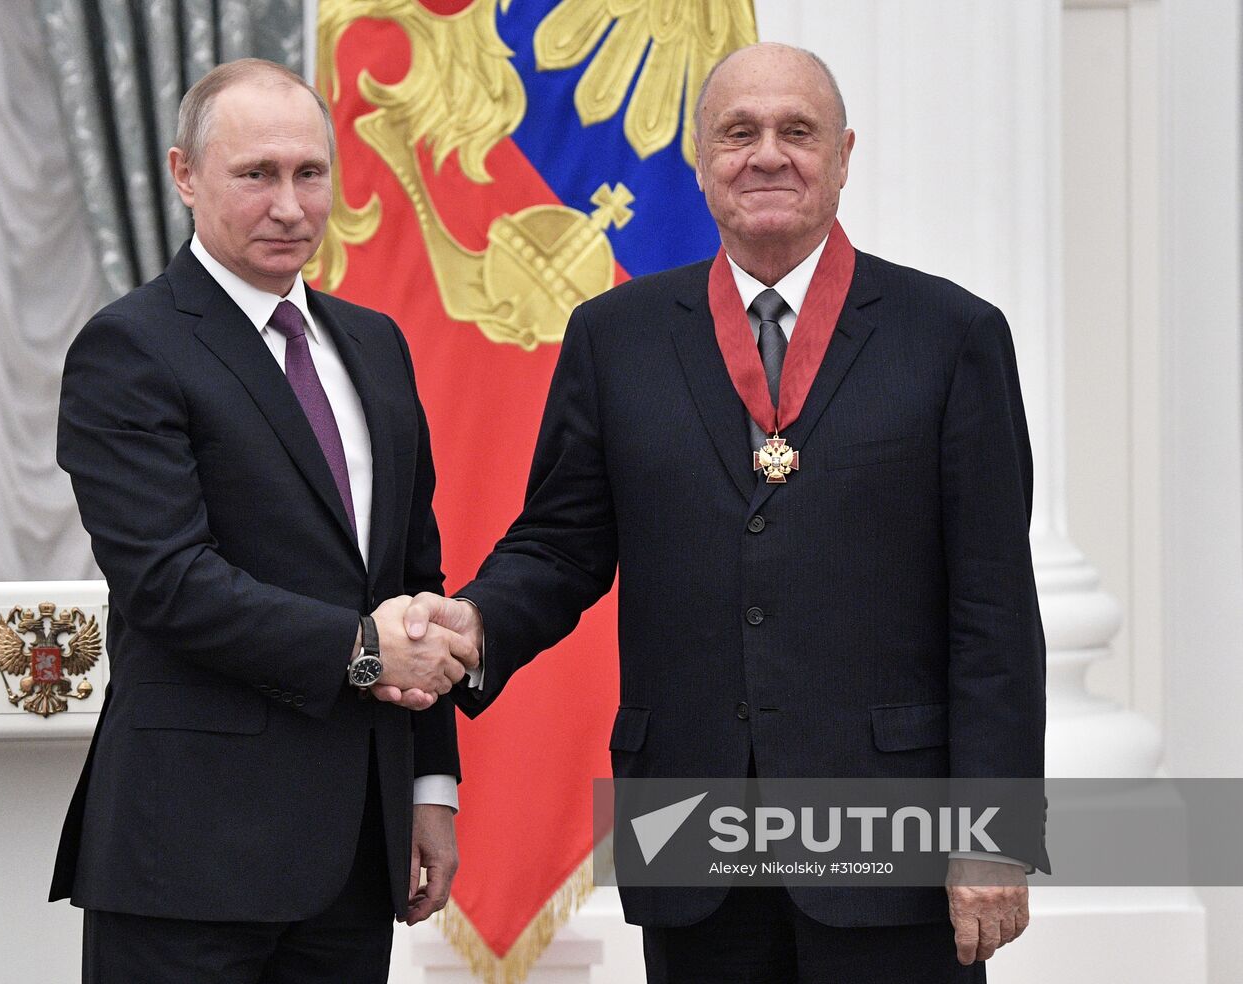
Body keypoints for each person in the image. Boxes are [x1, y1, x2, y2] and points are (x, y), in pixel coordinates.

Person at [394, 43, 1047, 982]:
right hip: (691, 828)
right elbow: (562, 545)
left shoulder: (950, 337)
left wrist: (994, 831)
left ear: (845, 154)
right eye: (738, 133)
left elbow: (992, 607)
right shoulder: (614, 338)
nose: (768, 155)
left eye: (798, 132)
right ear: (699, 161)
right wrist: (474, 623)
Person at [50, 58, 475, 984]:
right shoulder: (129, 347)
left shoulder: (375, 343)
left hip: (357, 856)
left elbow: (414, 579)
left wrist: (430, 789)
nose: (290, 205)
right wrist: (362, 649)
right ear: (183, 175)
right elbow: (169, 582)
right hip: (189, 860)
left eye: (309, 173)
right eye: (256, 176)